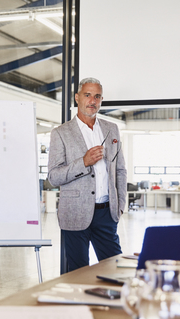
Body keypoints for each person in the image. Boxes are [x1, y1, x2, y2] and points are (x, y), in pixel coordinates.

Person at [48, 77, 127, 272]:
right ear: (77, 98)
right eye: (87, 95)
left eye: (97, 96)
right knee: (77, 275)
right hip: (74, 213)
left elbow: (120, 170)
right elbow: (53, 176)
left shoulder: (112, 129)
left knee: (116, 271)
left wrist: (120, 206)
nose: (92, 101)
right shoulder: (61, 133)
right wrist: (83, 162)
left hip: (107, 214)